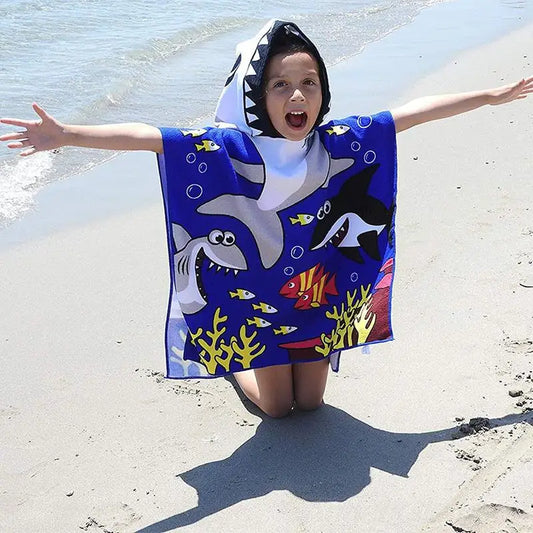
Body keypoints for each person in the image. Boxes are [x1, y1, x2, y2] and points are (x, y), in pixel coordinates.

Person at [1, 20, 531, 418]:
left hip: (313, 297)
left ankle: (282, 359)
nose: (298, 95)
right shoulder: (230, 149)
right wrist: (67, 135)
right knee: (278, 410)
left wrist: (491, 96)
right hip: (257, 302)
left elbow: (413, 113)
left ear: (323, 92)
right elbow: (149, 137)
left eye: (309, 82)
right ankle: (237, 366)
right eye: (280, 85)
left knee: (312, 404)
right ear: (258, 95)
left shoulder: (335, 143)